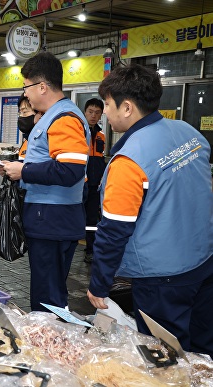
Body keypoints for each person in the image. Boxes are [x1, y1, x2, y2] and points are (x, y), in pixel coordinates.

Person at [87, 64, 212, 356]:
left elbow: (114, 230)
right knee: (203, 348)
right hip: (205, 261)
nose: (104, 112)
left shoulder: (129, 160)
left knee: (166, 355)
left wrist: (99, 285)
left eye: (107, 105)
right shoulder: (189, 133)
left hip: (162, 279)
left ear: (127, 107)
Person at [1, 52, 90, 312]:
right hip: (48, 217)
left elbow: (70, 169)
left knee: (47, 296)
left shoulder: (63, 118)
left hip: (53, 218)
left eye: (27, 87)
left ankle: (49, 346)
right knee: (46, 289)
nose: (25, 94)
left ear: (42, 86)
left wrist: (24, 171)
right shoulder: (50, 116)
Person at [82, 98, 106, 263]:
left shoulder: (101, 135)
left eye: (97, 113)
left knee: (92, 219)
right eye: (90, 111)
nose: (93, 115)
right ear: (85, 112)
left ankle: (90, 249)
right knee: (76, 215)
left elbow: (100, 160)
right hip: (80, 183)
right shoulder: (79, 131)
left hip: (95, 184)